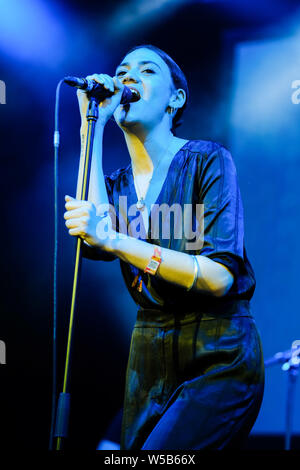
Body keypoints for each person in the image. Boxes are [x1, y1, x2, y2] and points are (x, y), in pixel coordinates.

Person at [63, 44, 264, 450]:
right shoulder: (117, 185)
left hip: (217, 352)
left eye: (147, 71)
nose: (128, 78)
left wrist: (118, 239)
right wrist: (92, 127)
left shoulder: (207, 160)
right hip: (148, 358)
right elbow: (94, 240)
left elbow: (219, 276)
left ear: (176, 99)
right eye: (122, 71)